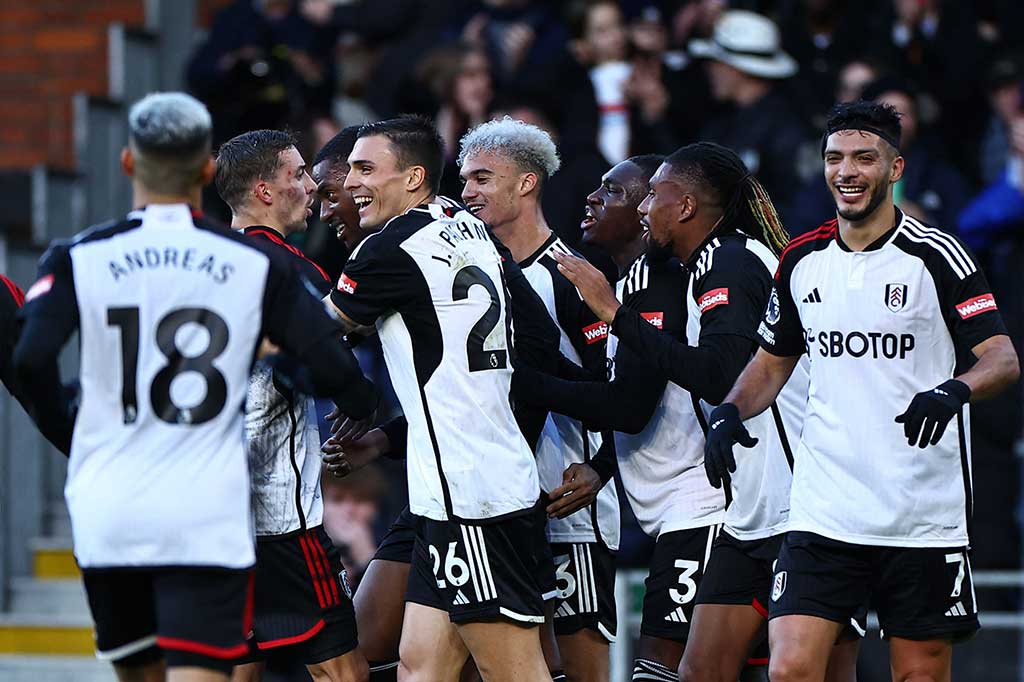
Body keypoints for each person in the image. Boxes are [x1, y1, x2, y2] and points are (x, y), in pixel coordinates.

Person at [12, 92, 379, 682]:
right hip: (211, 507)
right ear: (208, 169)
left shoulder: (78, 255)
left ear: (128, 161)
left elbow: (29, 364)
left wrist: (74, 435)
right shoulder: (259, 266)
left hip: (111, 506)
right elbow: (337, 374)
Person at [705, 100, 1021, 682]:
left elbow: (1002, 359)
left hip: (919, 509)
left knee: (919, 675)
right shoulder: (801, 258)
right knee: (790, 668)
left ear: (895, 169)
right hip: (825, 506)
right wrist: (728, 413)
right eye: (834, 158)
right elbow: (771, 361)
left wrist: (952, 392)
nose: (845, 171)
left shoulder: (936, 256)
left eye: (863, 158)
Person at [324, 115, 552, 682]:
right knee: (419, 669)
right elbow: (539, 337)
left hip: (472, 499)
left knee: (517, 674)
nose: (351, 183)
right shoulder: (463, 223)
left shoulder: (387, 249)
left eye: (365, 168)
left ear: (414, 177)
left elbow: (315, 334)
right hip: (452, 493)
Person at [458, 117, 619, 681]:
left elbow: (620, 393)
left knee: (580, 670)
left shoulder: (574, 276)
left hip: (567, 504)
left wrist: (602, 468)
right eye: (465, 178)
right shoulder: (468, 276)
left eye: (482, 178)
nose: (467, 192)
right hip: (497, 502)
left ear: (527, 184)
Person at [213, 129, 369, 682]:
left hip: (212, 517)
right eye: (298, 175)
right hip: (282, 519)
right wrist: (365, 405)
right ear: (264, 190)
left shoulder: (203, 266)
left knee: (237, 669)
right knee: (342, 671)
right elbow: (339, 371)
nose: (312, 187)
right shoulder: (292, 271)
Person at [689, 10, 811, 229]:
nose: (709, 70)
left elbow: (796, 206)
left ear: (737, 69)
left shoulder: (786, 128)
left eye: (716, 62)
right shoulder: (720, 121)